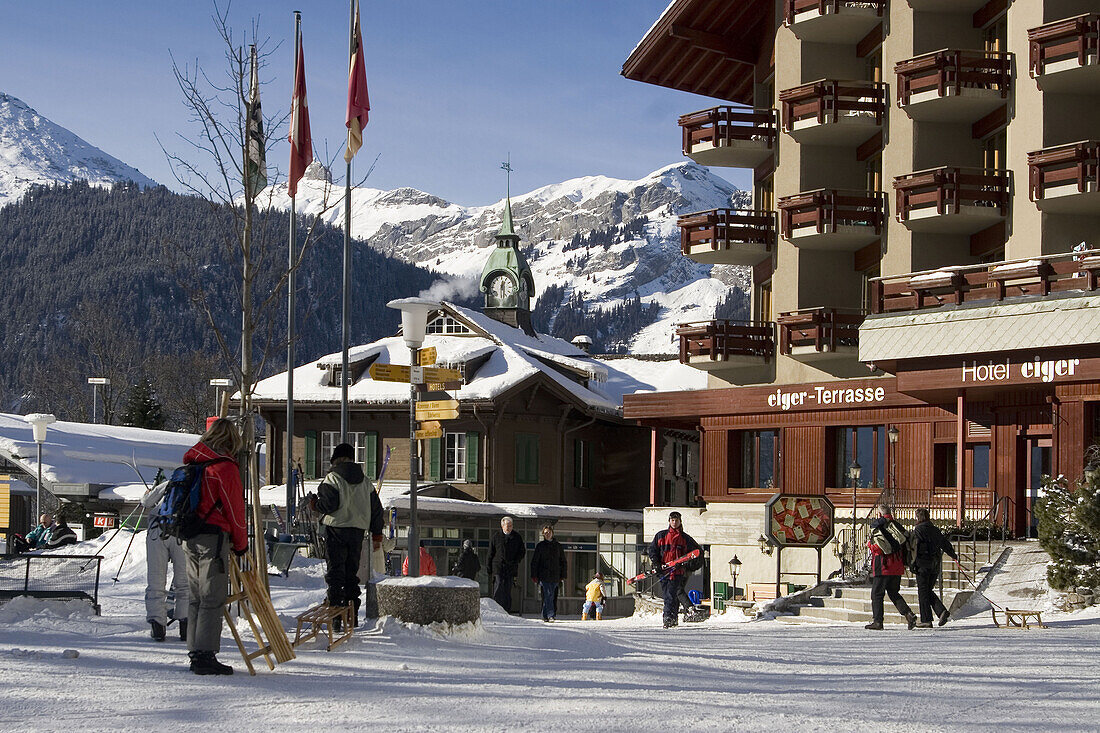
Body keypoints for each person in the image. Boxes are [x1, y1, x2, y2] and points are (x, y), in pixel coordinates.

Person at [182, 417, 248, 675]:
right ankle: (205, 655)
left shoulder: (193, 462)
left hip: (190, 535)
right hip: (213, 538)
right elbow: (235, 509)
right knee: (213, 597)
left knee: (196, 596)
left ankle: (195, 650)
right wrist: (241, 544)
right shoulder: (224, 468)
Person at [311, 442, 374, 630]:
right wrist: (377, 532)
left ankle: (336, 617)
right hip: (357, 531)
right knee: (350, 573)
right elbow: (376, 509)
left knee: (336, 573)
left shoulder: (332, 478)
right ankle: (352, 615)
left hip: (336, 530)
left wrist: (316, 505)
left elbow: (329, 504)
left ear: (336, 460)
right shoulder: (365, 481)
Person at [142, 480, 189, 642]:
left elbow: (146, 502)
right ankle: (186, 625)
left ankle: (157, 625)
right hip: (183, 533)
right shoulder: (200, 483)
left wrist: (149, 493)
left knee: (156, 580)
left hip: (158, 531)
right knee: (184, 582)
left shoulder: (171, 481)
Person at [865, 504, 917, 631]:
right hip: (897, 565)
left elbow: (879, 547)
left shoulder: (878, 526)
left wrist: (869, 545)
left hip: (883, 565)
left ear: (879, 514)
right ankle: (908, 614)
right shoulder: (897, 526)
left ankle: (878, 621)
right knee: (893, 592)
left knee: (877, 594)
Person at [648, 511, 701, 629]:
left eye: (676, 520)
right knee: (670, 594)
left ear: (680, 522)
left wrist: (685, 564)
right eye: (672, 520)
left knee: (670, 594)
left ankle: (667, 617)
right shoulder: (660, 536)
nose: (674, 522)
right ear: (669, 521)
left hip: (678, 572)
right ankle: (674, 617)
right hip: (663, 571)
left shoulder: (685, 539)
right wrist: (656, 563)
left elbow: (695, 554)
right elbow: (652, 550)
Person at [911, 508, 958, 628]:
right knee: (927, 590)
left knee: (923, 591)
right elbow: (944, 543)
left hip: (922, 564)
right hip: (935, 564)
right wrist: (953, 555)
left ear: (918, 518)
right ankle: (941, 611)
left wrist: (912, 563)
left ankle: (926, 619)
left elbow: (915, 548)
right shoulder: (934, 529)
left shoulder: (918, 530)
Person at [488, 516, 526, 613]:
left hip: (511, 567)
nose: (508, 528)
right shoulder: (496, 536)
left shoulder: (516, 537)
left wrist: (516, 560)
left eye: (510, 526)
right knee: (498, 586)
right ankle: (496, 610)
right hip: (498, 567)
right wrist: (489, 567)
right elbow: (491, 553)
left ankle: (506, 610)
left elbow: (522, 551)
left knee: (507, 589)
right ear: (502, 526)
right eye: (507, 526)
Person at [530, 524, 566, 622]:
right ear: (543, 534)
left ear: (552, 533)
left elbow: (563, 561)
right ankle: (551, 615)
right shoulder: (540, 546)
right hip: (543, 576)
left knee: (552, 596)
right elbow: (535, 561)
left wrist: (563, 575)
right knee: (547, 594)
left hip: (555, 576)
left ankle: (545, 615)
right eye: (545, 533)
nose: (547, 534)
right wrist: (534, 575)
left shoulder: (558, 546)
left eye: (549, 532)